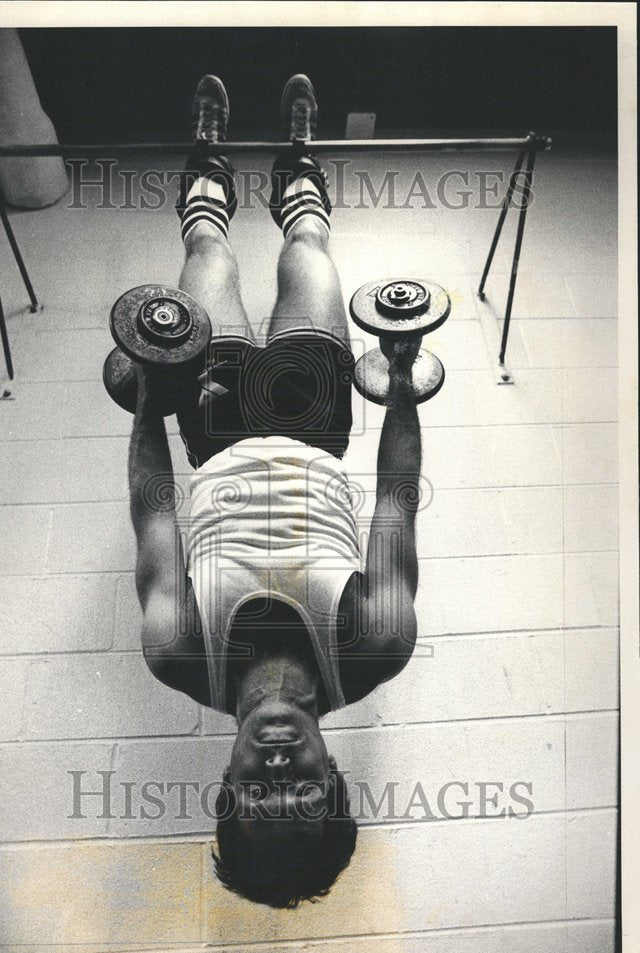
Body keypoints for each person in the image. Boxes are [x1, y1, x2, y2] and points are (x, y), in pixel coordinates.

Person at [127, 74, 422, 907]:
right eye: (305, 797)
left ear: (228, 778)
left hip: (213, 424)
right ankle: (298, 162)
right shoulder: (375, 646)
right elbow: (395, 500)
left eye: (261, 799)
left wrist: (150, 404)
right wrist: (398, 384)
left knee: (208, 258)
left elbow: (153, 515)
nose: (281, 774)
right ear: (334, 775)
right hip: (315, 417)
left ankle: (208, 156)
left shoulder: (179, 654)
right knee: (309, 252)